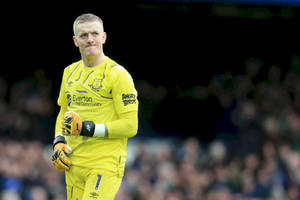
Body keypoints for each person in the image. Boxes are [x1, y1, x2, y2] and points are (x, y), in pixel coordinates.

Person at [51, 13, 138, 200]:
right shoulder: (69, 72)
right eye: (84, 35)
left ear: (104, 37)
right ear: (75, 41)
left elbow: (131, 126)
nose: (90, 40)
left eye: (94, 34)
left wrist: (87, 128)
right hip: (73, 163)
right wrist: (58, 142)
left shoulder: (118, 75)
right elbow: (64, 111)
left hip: (104, 165)